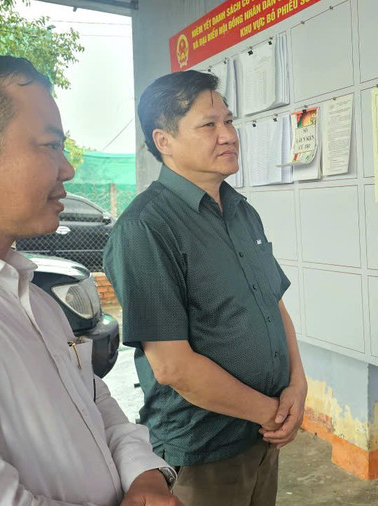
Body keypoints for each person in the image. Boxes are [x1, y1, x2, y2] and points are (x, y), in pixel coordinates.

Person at [0, 52, 180, 506]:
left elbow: (93, 400)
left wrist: (143, 475)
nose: (68, 169)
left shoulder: (26, 290)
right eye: (50, 146)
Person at [104, 70, 306, 506]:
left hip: (262, 436)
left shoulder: (240, 210)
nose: (228, 135)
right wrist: (272, 413)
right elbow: (173, 367)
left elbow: (273, 304)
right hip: (204, 452)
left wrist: (297, 385)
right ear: (165, 141)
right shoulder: (146, 229)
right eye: (208, 125)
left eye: (229, 122)